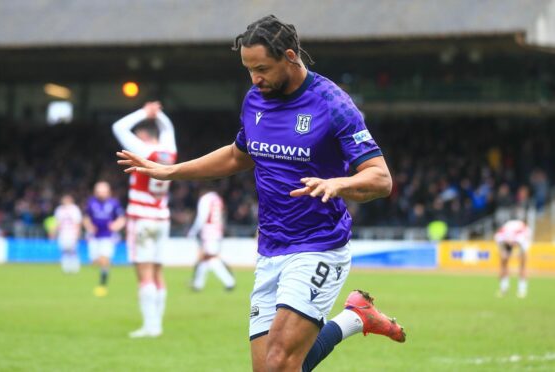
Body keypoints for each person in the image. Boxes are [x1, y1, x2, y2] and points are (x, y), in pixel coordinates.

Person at [117, 15, 405, 370]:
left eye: (262, 68)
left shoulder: (333, 104)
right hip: (270, 249)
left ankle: (355, 317)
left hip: (318, 245)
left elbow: (381, 179)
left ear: (289, 56)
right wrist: (171, 171)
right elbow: (238, 155)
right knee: (273, 367)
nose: (255, 79)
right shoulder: (256, 99)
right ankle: (356, 317)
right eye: (248, 69)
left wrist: (337, 184)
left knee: (279, 364)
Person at [113, 101, 177, 338]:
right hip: (162, 217)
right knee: (158, 271)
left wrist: (144, 112)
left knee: (145, 273)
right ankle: (156, 324)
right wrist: (159, 114)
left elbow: (119, 127)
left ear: (143, 135)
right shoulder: (169, 152)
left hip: (141, 217)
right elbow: (169, 131)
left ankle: (151, 326)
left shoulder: (143, 150)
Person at [187, 185, 235, 291]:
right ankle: (198, 284)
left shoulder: (205, 199)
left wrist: (193, 231)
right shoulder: (217, 199)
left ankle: (229, 282)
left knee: (211, 258)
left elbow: (202, 217)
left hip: (209, 232)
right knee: (205, 258)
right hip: (217, 231)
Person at [83, 181, 126, 297]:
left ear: (108, 192)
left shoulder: (114, 203)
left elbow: (122, 218)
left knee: (104, 260)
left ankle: (102, 285)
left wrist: (115, 226)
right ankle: (103, 273)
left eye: (103, 191)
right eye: (98, 191)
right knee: (94, 262)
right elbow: (86, 218)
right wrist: (89, 226)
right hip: (94, 237)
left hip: (108, 236)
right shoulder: (91, 203)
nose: (101, 194)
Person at [494, 219, 532, 298]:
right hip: (508, 235)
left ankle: (522, 290)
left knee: (522, 264)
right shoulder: (500, 237)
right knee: (503, 262)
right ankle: (504, 288)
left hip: (520, 235)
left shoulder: (523, 236)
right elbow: (502, 251)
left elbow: (523, 251)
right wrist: (503, 253)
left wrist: (519, 254)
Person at [52, 194, 82, 274]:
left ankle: (75, 268)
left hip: (72, 233)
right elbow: (57, 222)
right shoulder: (59, 210)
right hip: (62, 234)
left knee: (73, 251)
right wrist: (54, 232)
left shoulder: (74, 209)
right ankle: (66, 268)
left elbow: (77, 222)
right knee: (64, 251)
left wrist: (77, 233)